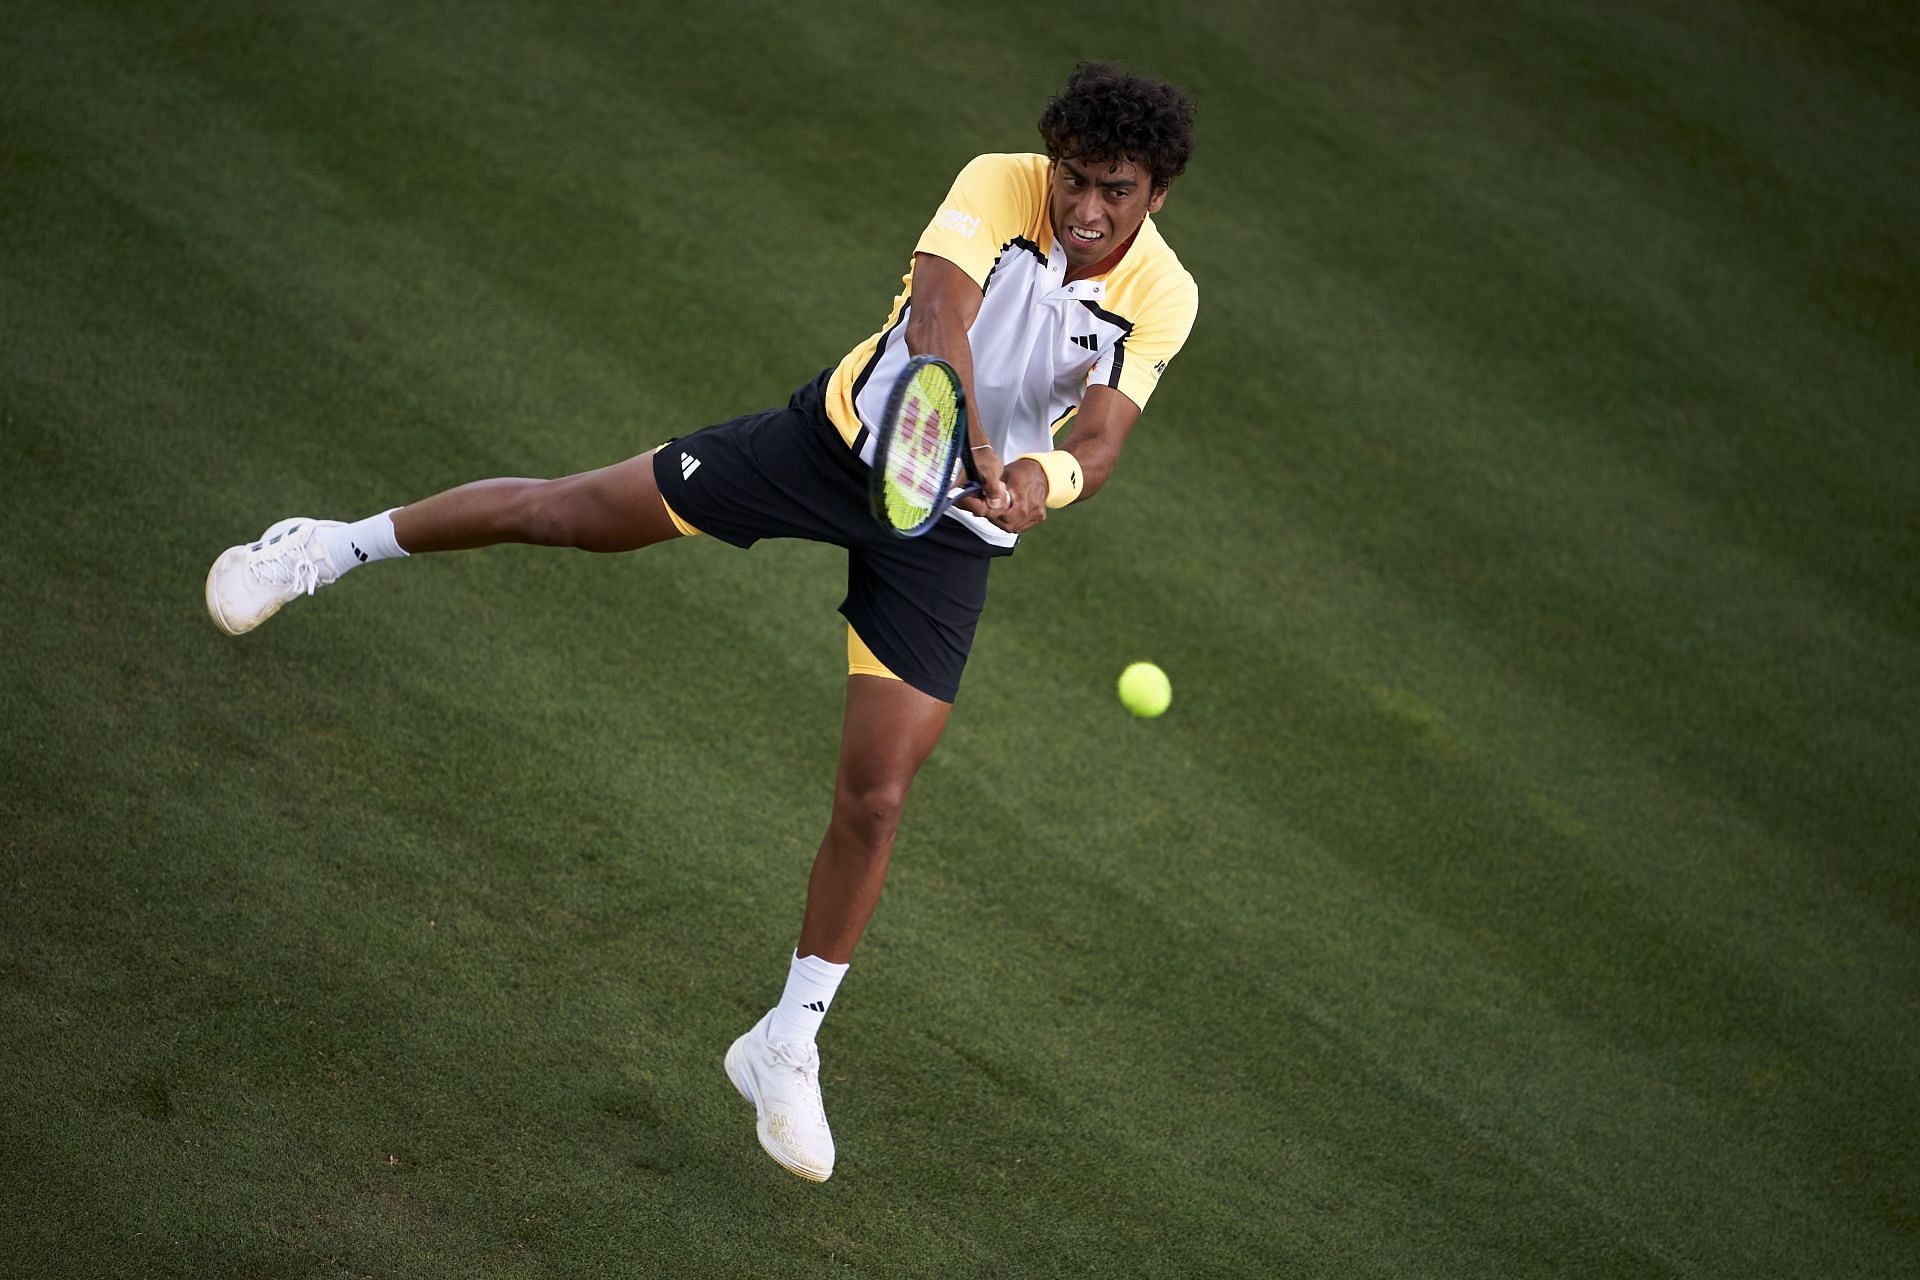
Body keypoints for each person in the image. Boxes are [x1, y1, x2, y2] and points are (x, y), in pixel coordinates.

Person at [204, 62, 1198, 1183]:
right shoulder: (998, 181)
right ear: (1051, 160)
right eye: (1074, 178)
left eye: (1114, 190)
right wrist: (957, 432)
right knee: (574, 514)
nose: (1084, 207)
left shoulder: (1165, 292)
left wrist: (1040, 481)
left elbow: (1104, 436)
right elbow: (937, 312)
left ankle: (784, 1040)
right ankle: (323, 545)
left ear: (1154, 194)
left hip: (954, 531)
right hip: (838, 449)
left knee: (878, 792)